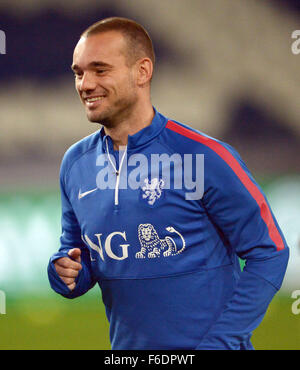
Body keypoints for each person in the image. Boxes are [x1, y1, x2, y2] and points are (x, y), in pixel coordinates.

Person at [47, 17, 289, 350]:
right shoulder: (75, 165)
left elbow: (269, 251)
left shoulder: (203, 156)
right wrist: (66, 272)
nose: (85, 84)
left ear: (142, 71)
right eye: (78, 72)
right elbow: (77, 255)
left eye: (100, 70)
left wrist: (224, 339)